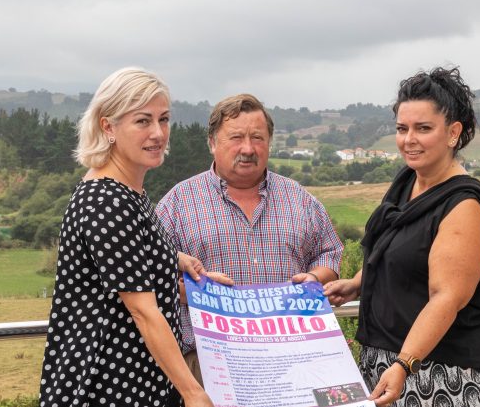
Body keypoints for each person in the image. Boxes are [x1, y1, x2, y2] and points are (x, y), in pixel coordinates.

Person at [324, 67, 480, 407]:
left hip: (446, 372)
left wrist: (403, 363)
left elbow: (446, 296)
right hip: (388, 361)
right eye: (402, 128)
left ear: (453, 132)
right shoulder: (406, 183)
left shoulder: (463, 205)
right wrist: (358, 282)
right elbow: (399, 252)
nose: (408, 139)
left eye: (423, 128)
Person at [39, 67, 213, 407]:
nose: (158, 133)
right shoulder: (106, 202)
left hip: (135, 379)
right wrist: (193, 393)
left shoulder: (128, 193)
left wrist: (178, 263)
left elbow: (127, 254)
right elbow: (143, 312)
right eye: (142, 121)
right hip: (107, 383)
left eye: (163, 119)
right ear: (108, 127)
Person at [156, 93, 344, 384]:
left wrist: (315, 277)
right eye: (235, 138)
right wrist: (194, 290)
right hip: (209, 367)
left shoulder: (300, 199)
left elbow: (330, 252)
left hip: (293, 362)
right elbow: (152, 279)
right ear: (212, 142)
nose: (248, 149)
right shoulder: (177, 203)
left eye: (257, 138)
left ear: (269, 143)